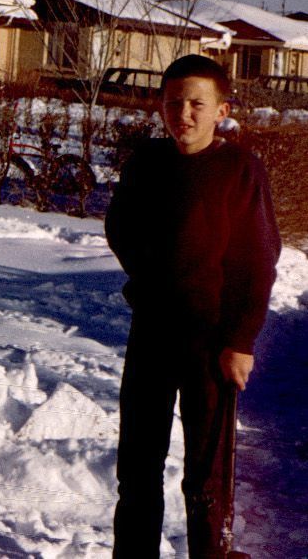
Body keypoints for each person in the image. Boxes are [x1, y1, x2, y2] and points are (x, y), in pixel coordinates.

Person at [105, 54, 280, 558]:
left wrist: (240, 341)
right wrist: (154, 277)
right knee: (138, 465)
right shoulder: (147, 164)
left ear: (221, 110)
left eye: (197, 104)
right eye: (174, 102)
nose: (183, 114)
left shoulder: (239, 169)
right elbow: (120, 228)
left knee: (207, 475)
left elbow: (259, 260)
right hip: (152, 332)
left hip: (212, 341)